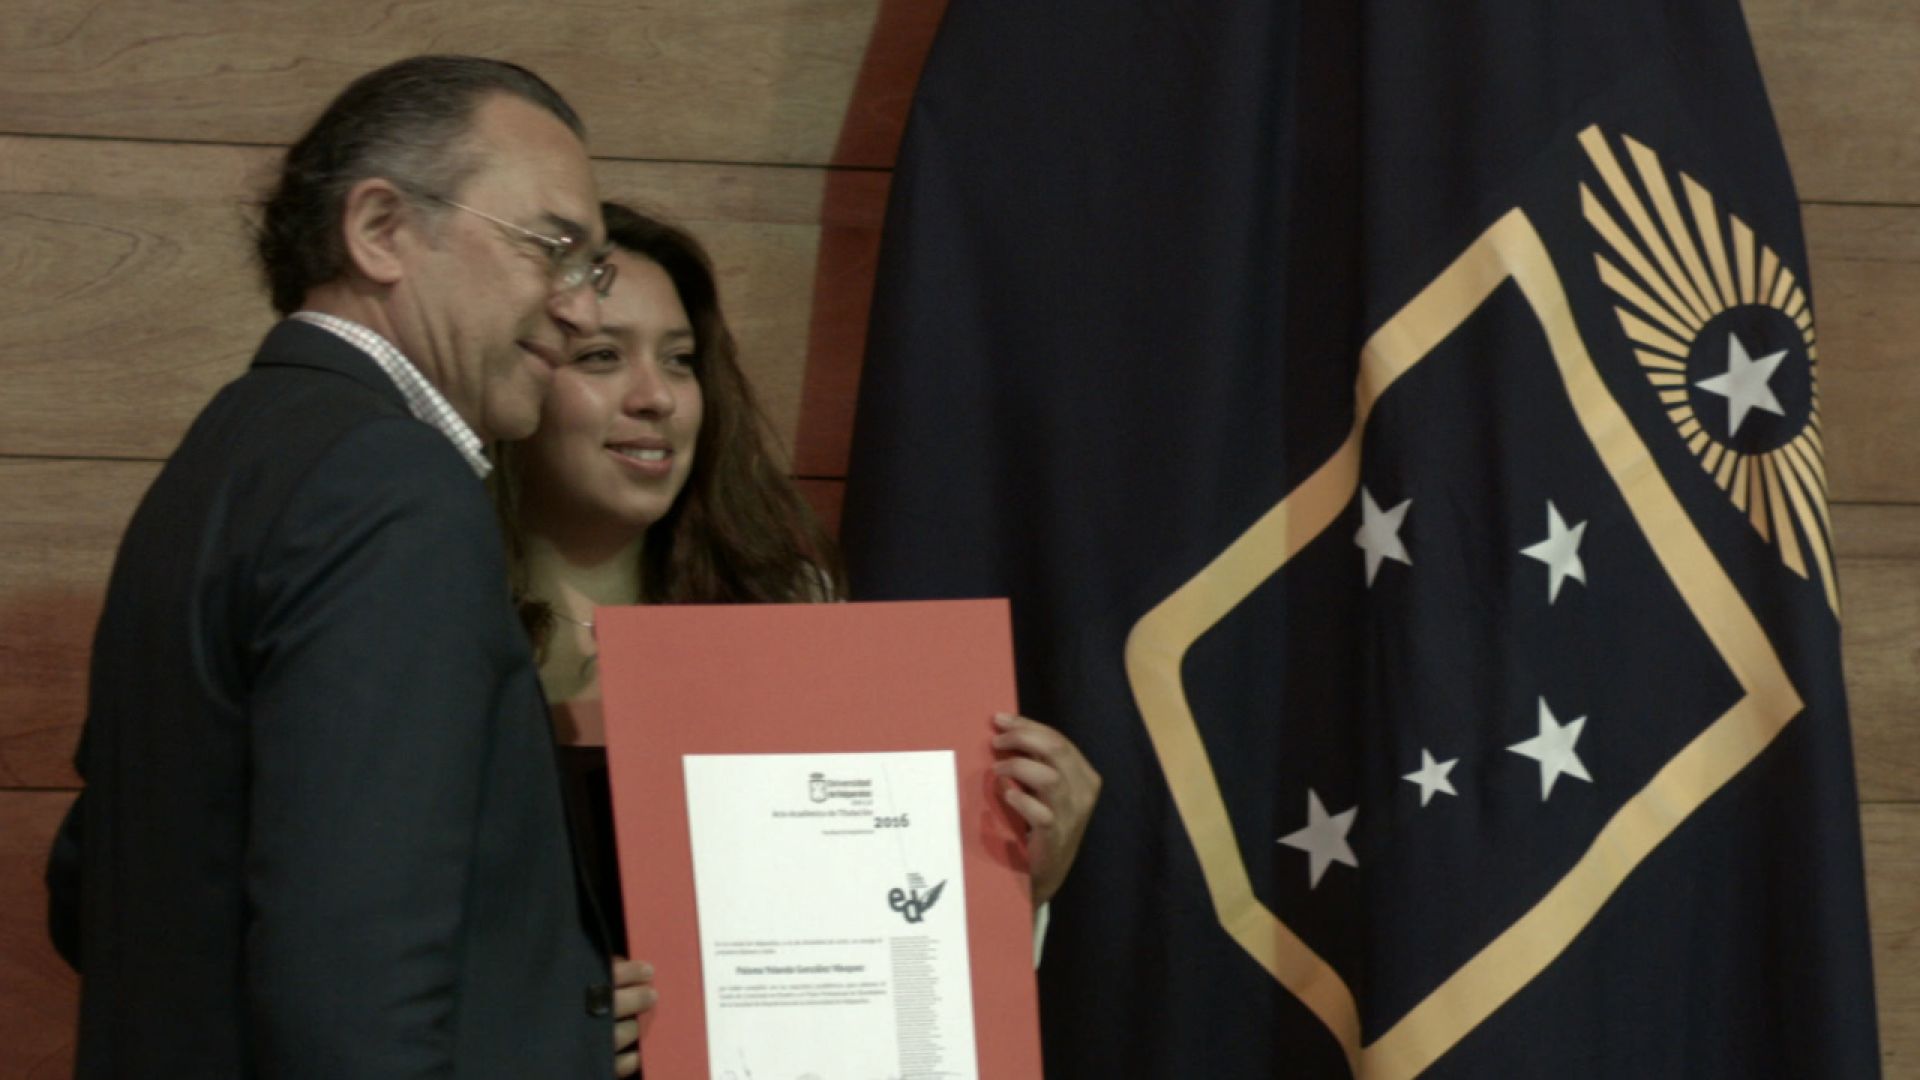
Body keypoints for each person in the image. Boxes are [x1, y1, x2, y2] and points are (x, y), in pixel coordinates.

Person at [45, 56, 638, 1077]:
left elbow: (95, 890)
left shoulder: (228, 455)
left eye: (593, 270)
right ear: (379, 229)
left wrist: (538, 1008)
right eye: (553, 249)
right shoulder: (390, 485)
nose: (582, 311)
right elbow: (351, 997)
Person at [492, 203, 1102, 1008]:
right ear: (515, 375)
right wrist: (527, 1039)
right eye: (602, 357)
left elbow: (869, 958)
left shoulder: (792, 615)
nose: (658, 397)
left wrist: (1018, 881)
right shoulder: (435, 622)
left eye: (680, 361)